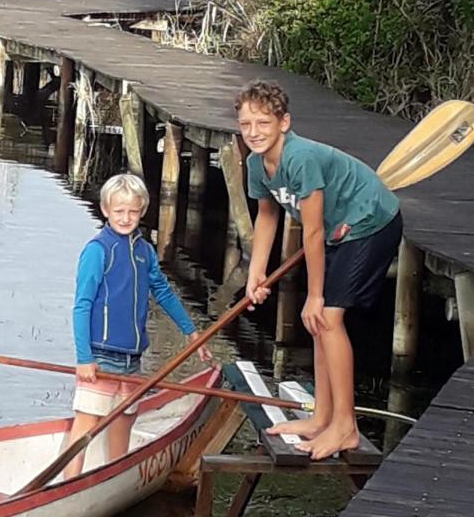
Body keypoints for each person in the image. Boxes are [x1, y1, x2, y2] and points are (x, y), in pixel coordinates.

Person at [237, 81, 402, 460]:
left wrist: (314, 294)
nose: (254, 132)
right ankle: (321, 416)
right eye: (246, 124)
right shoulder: (255, 163)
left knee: (326, 316)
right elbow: (267, 215)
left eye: (263, 123)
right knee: (318, 322)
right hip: (338, 230)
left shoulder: (300, 158)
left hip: (370, 222)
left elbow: (310, 232)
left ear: (284, 122)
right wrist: (255, 273)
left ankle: (345, 426)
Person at [65, 173, 212, 477]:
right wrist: (84, 358)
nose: (126, 218)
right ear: (106, 210)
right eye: (118, 211)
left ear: (142, 210)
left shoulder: (144, 252)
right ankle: (67, 483)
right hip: (101, 357)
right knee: (86, 426)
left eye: (132, 211)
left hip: (132, 359)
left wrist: (192, 332)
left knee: (124, 423)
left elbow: (163, 292)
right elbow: (82, 306)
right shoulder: (98, 250)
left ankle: (113, 480)